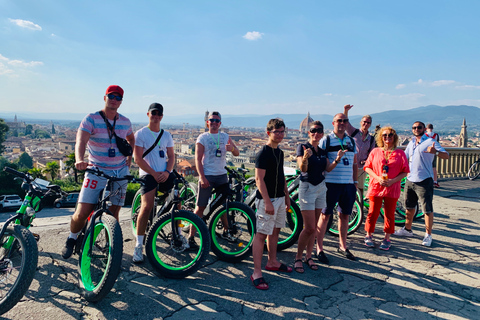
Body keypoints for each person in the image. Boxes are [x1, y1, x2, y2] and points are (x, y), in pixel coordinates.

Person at [62, 85, 134, 259]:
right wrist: (79, 159)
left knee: (115, 211)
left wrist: (130, 157)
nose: (114, 100)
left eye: (118, 97)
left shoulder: (125, 121)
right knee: (82, 212)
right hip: (96, 170)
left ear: (121, 101)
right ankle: (71, 239)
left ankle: (111, 240)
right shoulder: (91, 118)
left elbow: (131, 138)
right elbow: (81, 139)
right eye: (111, 96)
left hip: (119, 172)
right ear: (105, 97)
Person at [294, 121, 345, 272]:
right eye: (313, 130)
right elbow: (302, 168)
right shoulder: (302, 147)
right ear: (308, 132)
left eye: (319, 131)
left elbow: (328, 168)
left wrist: (337, 159)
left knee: (315, 226)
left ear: (322, 133)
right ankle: (298, 257)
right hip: (308, 188)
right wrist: (304, 158)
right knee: (309, 227)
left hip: (321, 188)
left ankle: (308, 256)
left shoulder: (323, 151)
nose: (316, 133)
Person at [251, 118, 292, 290]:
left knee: (275, 231)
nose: (280, 134)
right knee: (261, 234)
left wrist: (287, 195)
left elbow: (281, 175)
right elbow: (259, 179)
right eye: (277, 132)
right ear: (269, 133)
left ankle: (272, 262)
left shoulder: (280, 153)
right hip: (267, 199)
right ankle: (256, 272)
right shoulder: (264, 153)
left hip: (280, 198)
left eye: (282, 131)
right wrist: (267, 202)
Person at [188, 111, 239, 248]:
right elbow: (198, 160)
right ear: (207, 122)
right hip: (208, 175)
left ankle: (226, 231)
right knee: (200, 207)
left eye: (217, 121)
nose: (214, 123)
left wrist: (232, 148)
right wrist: (202, 177)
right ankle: (191, 237)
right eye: (212, 120)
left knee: (223, 206)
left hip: (222, 175)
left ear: (220, 123)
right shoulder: (202, 137)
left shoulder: (225, 136)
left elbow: (237, 152)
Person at [394, 121, 449, 247]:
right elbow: (404, 157)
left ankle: (428, 235)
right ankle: (407, 229)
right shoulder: (411, 142)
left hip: (424, 180)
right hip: (410, 179)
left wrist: (435, 152)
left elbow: (446, 156)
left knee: (427, 209)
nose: (416, 129)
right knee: (409, 206)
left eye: (419, 127)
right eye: (414, 127)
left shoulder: (430, 142)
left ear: (424, 129)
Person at [132, 103, 175, 263]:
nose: (156, 116)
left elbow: (171, 157)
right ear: (148, 114)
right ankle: (138, 245)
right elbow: (138, 159)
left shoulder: (167, 135)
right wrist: (153, 173)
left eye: (159, 113)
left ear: (162, 116)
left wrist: (166, 172)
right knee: (146, 206)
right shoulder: (141, 134)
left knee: (176, 203)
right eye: (153, 113)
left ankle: (176, 233)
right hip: (148, 174)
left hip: (164, 173)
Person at [316, 113, 358, 261]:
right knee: (325, 215)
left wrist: (355, 183)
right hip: (330, 184)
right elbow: (322, 164)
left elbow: (354, 164)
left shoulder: (351, 141)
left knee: (345, 215)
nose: (342, 123)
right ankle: (319, 248)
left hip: (348, 185)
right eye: (339, 120)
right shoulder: (326, 140)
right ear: (333, 123)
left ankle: (342, 246)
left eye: (345, 120)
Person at [363, 126, 409, 250]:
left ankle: (387, 238)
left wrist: (393, 180)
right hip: (376, 186)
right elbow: (367, 167)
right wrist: (378, 178)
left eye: (390, 135)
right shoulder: (375, 151)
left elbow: (405, 171)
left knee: (389, 214)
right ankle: (368, 235)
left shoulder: (400, 153)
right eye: (384, 135)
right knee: (372, 213)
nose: (387, 137)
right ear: (381, 138)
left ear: (394, 137)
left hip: (392, 187)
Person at [343, 104, 376, 211]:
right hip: (350, 166)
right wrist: (345, 111)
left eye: (368, 122)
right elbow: (346, 123)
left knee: (360, 189)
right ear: (361, 123)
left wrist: (366, 160)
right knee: (348, 187)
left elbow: (371, 154)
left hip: (361, 168)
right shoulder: (354, 132)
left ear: (370, 124)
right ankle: (347, 207)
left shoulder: (371, 139)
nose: (366, 124)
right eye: (364, 122)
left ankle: (359, 209)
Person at [425, 124, 440, 188]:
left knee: (425, 167)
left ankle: (425, 180)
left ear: (426, 128)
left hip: (426, 153)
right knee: (434, 167)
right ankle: (435, 181)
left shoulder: (425, 135)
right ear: (432, 128)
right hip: (433, 152)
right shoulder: (436, 135)